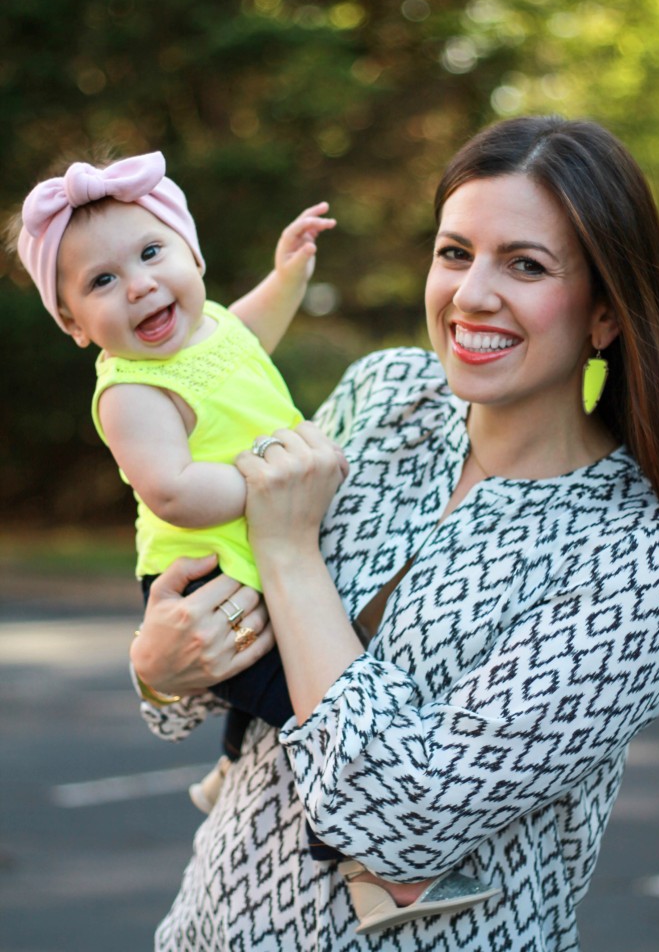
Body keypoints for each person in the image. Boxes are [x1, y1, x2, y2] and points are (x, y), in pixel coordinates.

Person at [122, 117, 659, 948]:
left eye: (524, 265)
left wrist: (287, 549)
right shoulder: (383, 396)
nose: (471, 294)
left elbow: (401, 825)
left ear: (604, 314)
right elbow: (218, 649)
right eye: (454, 253)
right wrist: (159, 672)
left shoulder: (635, 565)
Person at [11, 151, 480, 925]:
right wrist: (276, 483)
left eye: (151, 253)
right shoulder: (134, 388)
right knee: (308, 704)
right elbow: (171, 489)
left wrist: (288, 274)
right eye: (100, 283)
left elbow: (250, 328)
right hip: (206, 575)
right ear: (74, 326)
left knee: (288, 678)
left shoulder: (212, 328)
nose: (137, 284)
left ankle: (232, 766)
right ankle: (371, 865)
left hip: (258, 558)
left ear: (191, 255)